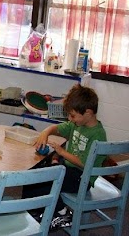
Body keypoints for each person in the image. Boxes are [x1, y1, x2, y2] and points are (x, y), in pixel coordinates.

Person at [22, 84, 107, 231]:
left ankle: (63, 213)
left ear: (88, 113)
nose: (70, 119)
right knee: (31, 179)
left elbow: (85, 164)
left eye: (72, 115)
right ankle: (35, 212)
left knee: (45, 180)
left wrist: (61, 152)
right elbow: (58, 128)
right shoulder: (77, 124)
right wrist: (45, 132)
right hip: (68, 170)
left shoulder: (98, 135)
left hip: (82, 177)